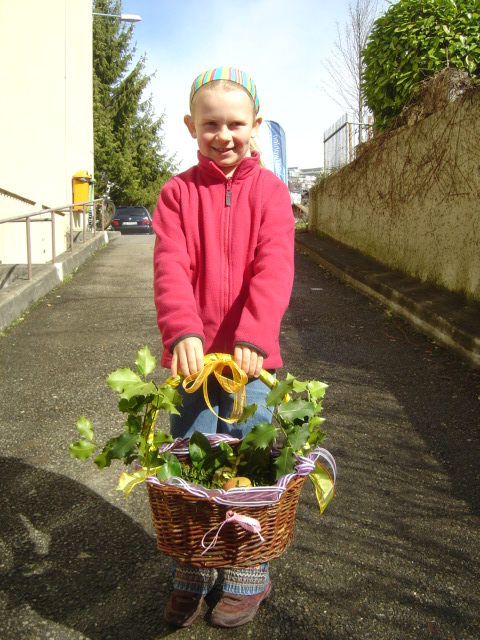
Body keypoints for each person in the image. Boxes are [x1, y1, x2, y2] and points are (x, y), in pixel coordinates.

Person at [152, 66, 295, 629]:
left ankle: (246, 570)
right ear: (191, 126)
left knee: (248, 464)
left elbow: (274, 268)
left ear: (256, 126)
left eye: (236, 123)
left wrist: (254, 336)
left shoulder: (272, 193)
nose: (224, 135)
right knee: (189, 459)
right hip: (194, 363)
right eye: (211, 124)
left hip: (249, 364)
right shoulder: (177, 194)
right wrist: (183, 330)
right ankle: (192, 565)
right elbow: (171, 267)